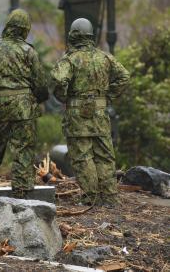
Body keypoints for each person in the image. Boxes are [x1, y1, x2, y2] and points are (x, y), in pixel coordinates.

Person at [50, 18, 129, 207]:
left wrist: (64, 98)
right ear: (91, 36)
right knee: (104, 155)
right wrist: (108, 96)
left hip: (78, 116)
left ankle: (91, 198)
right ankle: (110, 198)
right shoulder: (105, 57)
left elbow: (58, 81)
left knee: (82, 156)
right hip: (100, 114)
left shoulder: (70, 59)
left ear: (73, 35)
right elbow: (124, 77)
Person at [0, 9, 49, 198]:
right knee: (23, 148)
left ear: (7, 27)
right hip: (23, 109)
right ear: (25, 30)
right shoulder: (28, 51)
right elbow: (40, 84)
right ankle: (22, 191)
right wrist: (39, 99)